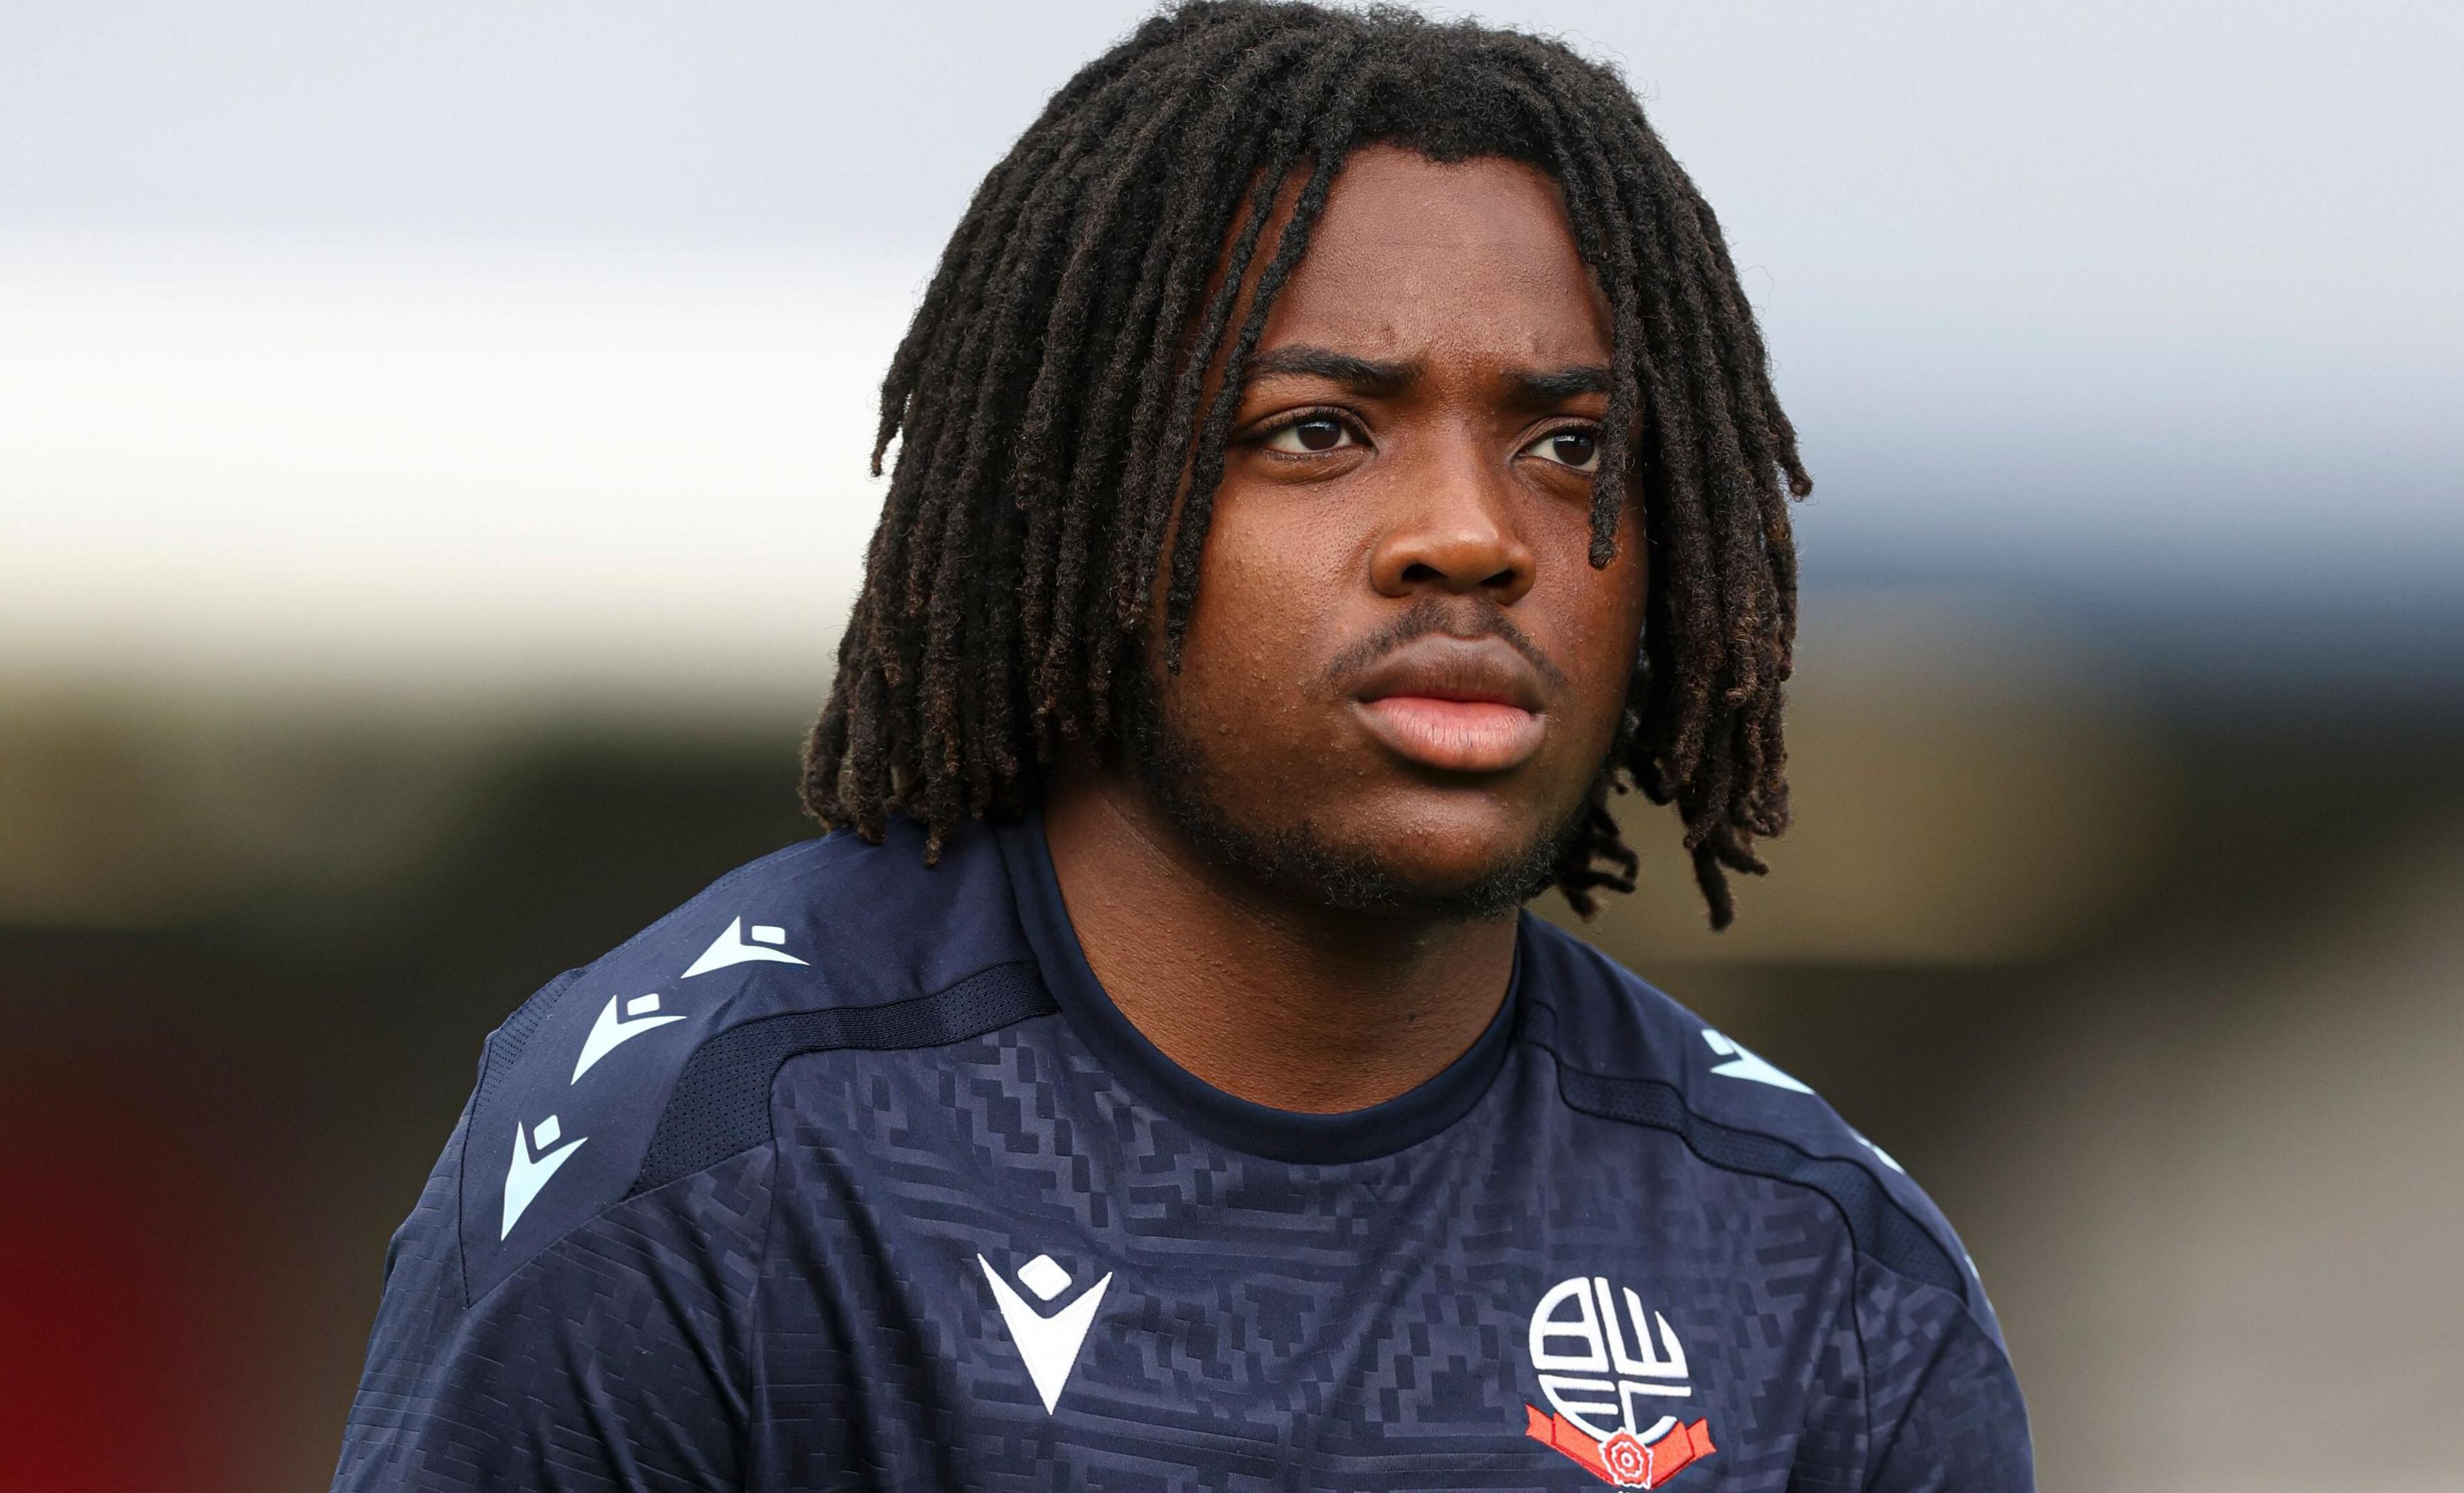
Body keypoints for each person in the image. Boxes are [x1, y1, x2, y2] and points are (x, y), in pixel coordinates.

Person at [329, 3, 2033, 1488]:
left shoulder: (1818, 1267)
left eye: (1570, 447)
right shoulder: (708, 1150)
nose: (1471, 534)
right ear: (1094, 493)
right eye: (1317, 430)